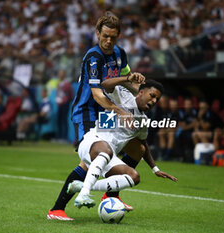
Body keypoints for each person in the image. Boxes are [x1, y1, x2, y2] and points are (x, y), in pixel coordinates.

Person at [47, 12, 147, 220]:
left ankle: (110, 196)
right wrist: (120, 112)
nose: (108, 41)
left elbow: (127, 80)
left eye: (113, 37)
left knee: (136, 148)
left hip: (107, 111)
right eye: (105, 36)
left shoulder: (119, 54)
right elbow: (97, 94)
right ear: (97, 33)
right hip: (88, 114)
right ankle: (56, 209)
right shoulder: (94, 58)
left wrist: (139, 86)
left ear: (118, 36)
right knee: (91, 160)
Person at [70, 79, 177, 209]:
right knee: (104, 152)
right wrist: (127, 78)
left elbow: (143, 144)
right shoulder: (123, 97)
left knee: (134, 177)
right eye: (152, 96)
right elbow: (105, 85)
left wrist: (155, 169)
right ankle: (83, 194)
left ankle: (84, 186)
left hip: (109, 155)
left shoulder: (143, 121)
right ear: (141, 92)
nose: (154, 101)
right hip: (94, 141)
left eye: (157, 99)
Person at [56, 70, 73, 141]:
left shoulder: (67, 84)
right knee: (59, 120)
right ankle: (59, 137)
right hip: (59, 104)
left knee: (64, 120)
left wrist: (66, 100)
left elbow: (71, 94)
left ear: (64, 75)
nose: (60, 75)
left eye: (61, 74)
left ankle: (64, 137)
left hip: (65, 104)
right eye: (59, 74)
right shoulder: (59, 83)